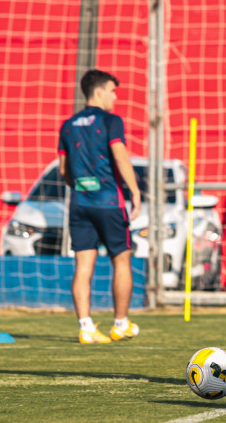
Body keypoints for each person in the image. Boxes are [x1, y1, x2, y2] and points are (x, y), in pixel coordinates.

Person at [58, 69, 142, 344]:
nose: (115, 97)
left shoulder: (68, 125)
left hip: (80, 203)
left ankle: (86, 327)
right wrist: (135, 191)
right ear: (99, 91)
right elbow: (120, 156)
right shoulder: (111, 121)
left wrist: (80, 188)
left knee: (83, 266)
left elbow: (63, 170)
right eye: (112, 90)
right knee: (122, 258)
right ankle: (120, 324)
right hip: (109, 202)